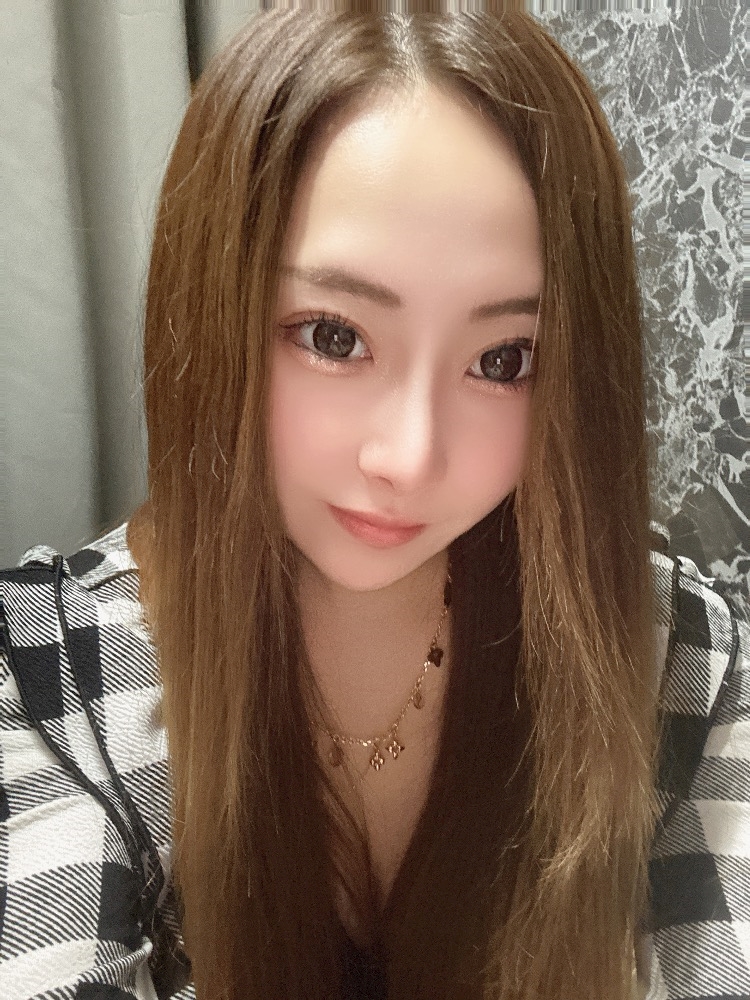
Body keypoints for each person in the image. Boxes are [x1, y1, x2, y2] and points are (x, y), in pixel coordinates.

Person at [0, 10, 747, 1000]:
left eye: (504, 360)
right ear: (213, 306)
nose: (410, 456)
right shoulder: (51, 682)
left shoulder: (674, 656)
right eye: (333, 336)